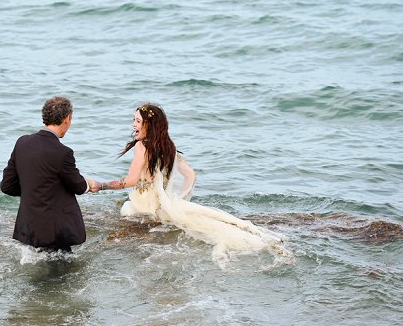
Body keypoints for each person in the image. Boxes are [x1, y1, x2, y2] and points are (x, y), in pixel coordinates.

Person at [93, 103, 292, 267]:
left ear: (149, 125)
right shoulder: (168, 147)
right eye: (134, 120)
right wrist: (175, 200)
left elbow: (130, 181)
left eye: (137, 121)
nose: (133, 124)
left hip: (141, 208)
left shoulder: (141, 147)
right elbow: (191, 176)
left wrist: (100, 186)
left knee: (120, 223)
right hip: (162, 207)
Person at [0, 96, 97, 254]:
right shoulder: (62, 152)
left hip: (28, 226)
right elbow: (78, 186)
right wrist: (89, 184)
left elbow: (7, 185)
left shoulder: (22, 143)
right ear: (67, 119)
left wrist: (34, 192)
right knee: (63, 275)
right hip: (55, 233)